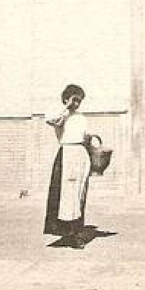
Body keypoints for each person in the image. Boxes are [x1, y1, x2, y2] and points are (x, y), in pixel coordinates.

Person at [43, 83, 95, 247]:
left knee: (79, 194)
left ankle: (76, 231)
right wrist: (66, 107)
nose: (76, 104)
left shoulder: (80, 117)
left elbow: (85, 136)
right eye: (74, 100)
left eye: (79, 101)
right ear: (66, 99)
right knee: (66, 196)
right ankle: (68, 234)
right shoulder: (60, 115)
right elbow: (51, 120)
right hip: (67, 154)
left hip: (81, 153)